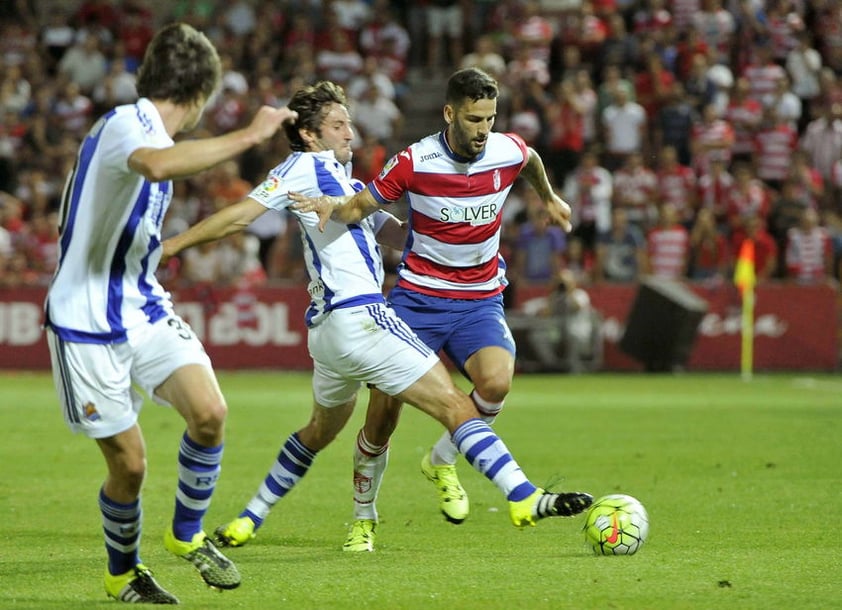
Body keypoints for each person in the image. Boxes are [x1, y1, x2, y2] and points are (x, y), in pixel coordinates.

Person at [162, 79, 592, 555]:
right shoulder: (304, 167)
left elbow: (388, 228)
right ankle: (524, 496)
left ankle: (249, 518)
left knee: (318, 432)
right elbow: (240, 216)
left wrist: (433, 229)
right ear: (308, 134)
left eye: (350, 123)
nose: (351, 133)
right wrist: (172, 245)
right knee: (453, 405)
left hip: (327, 333)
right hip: (360, 318)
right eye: (338, 125)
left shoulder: (345, 182)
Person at [42, 23, 297, 604]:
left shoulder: (143, 128)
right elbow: (157, 166)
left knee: (209, 412)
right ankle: (122, 572)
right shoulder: (130, 124)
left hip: (142, 303)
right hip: (85, 321)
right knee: (130, 467)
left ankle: (186, 535)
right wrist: (249, 135)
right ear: (203, 92)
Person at [289, 68, 581, 533]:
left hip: (479, 299)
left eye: (489, 118)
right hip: (417, 300)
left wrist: (550, 198)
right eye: (473, 119)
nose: (483, 130)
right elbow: (364, 206)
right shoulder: (413, 161)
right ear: (449, 113)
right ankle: (363, 517)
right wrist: (333, 208)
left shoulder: (506, 149)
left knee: (497, 384)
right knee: (382, 418)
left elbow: (531, 161)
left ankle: (443, 459)